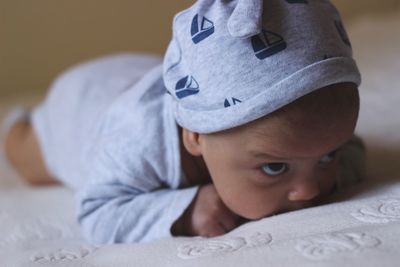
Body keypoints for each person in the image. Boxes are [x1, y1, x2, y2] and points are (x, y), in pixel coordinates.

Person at [2, 0, 366, 243]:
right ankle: (16, 124)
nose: (309, 191)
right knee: (31, 161)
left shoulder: (295, 136)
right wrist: (185, 211)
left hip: (143, 74)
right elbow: (97, 211)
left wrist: (337, 160)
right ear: (194, 135)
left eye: (326, 157)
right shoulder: (138, 141)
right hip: (81, 104)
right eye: (274, 167)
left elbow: (350, 148)